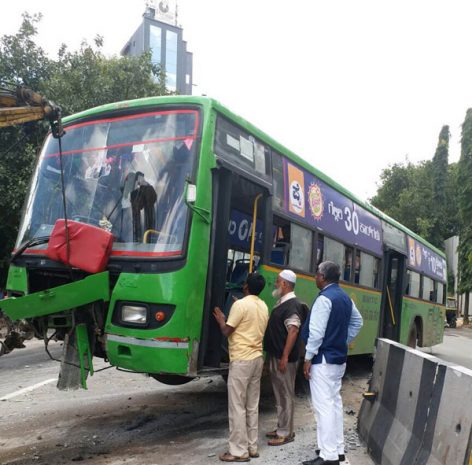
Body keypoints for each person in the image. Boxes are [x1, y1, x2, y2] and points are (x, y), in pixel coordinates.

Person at [301, 261, 363, 465]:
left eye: (317, 274)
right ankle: (337, 451)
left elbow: (316, 333)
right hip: (338, 359)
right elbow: (358, 321)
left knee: (324, 407)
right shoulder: (345, 297)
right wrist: (342, 341)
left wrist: (308, 358)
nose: (315, 277)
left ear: (323, 277)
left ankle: (328, 457)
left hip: (323, 360)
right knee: (334, 404)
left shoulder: (324, 299)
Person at [213, 272, 269, 462]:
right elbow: (248, 319)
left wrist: (221, 318)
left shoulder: (240, 305)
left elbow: (226, 331)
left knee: (237, 406)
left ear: (245, 286)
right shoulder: (262, 306)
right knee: (252, 406)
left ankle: (238, 451)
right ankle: (252, 447)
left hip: (241, 360)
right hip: (257, 359)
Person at [263, 269, 305, 446]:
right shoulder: (282, 302)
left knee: (285, 394)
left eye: (277, 281)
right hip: (277, 355)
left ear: (285, 284)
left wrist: (285, 356)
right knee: (279, 394)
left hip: (284, 358)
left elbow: (293, 330)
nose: (275, 283)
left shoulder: (292, 305)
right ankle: (281, 427)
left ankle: (286, 433)